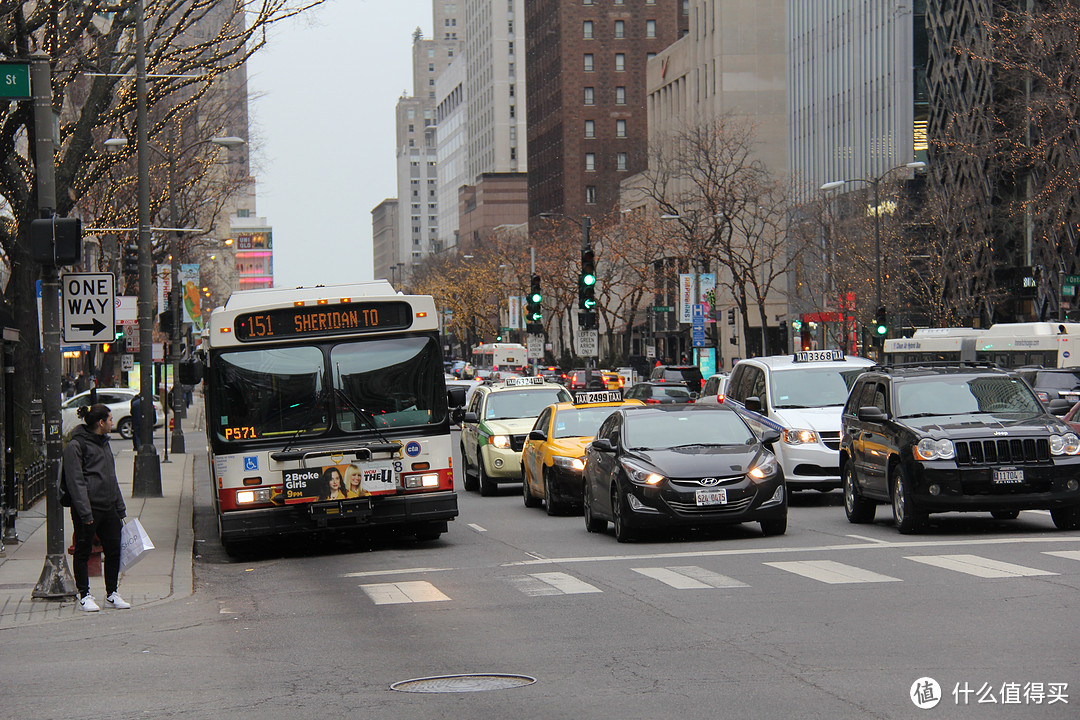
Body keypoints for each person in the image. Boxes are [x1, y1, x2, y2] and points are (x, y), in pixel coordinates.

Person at [64, 403, 130, 611]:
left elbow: (111, 476)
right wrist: (85, 512)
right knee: (83, 550)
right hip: (89, 509)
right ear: (101, 423)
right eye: (110, 419)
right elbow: (76, 482)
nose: (113, 422)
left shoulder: (104, 443)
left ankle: (112, 593)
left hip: (109, 506)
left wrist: (119, 507)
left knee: (114, 550)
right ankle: (84, 594)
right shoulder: (76, 446)